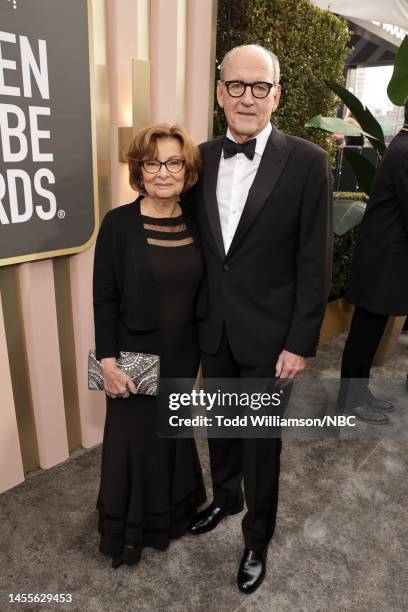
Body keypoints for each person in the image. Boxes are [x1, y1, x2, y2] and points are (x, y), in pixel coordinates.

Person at [186, 44, 333, 593]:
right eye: (237, 86)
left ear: (277, 94)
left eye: (260, 87)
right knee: (221, 427)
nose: (248, 97)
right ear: (220, 91)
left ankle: (257, 538)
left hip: (272, 336)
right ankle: (225, 497)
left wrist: (300, 342)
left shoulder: (309, 162)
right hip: (213, 328)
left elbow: (314, 261)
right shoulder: (199, 157)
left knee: (260, 442)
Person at [93, 124, 206, 568]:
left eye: (174, 162)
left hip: (184, 350)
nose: (163, 172)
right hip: (134, 354)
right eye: (152, 163)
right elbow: (105, 296)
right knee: (133, 442)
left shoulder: (197, 221)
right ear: (139, 170)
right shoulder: (118, 224)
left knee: (172, 435)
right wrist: (107, 360)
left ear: (187, 170)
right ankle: (129, 530)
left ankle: (170, 517)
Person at [338, 100, 408, 424]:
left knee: (369, 330)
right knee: (365, 332)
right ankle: (351, 400)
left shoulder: (402, 146)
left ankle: (358, 393)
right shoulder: (405, 151)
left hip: (383, 258)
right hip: (383, 260)